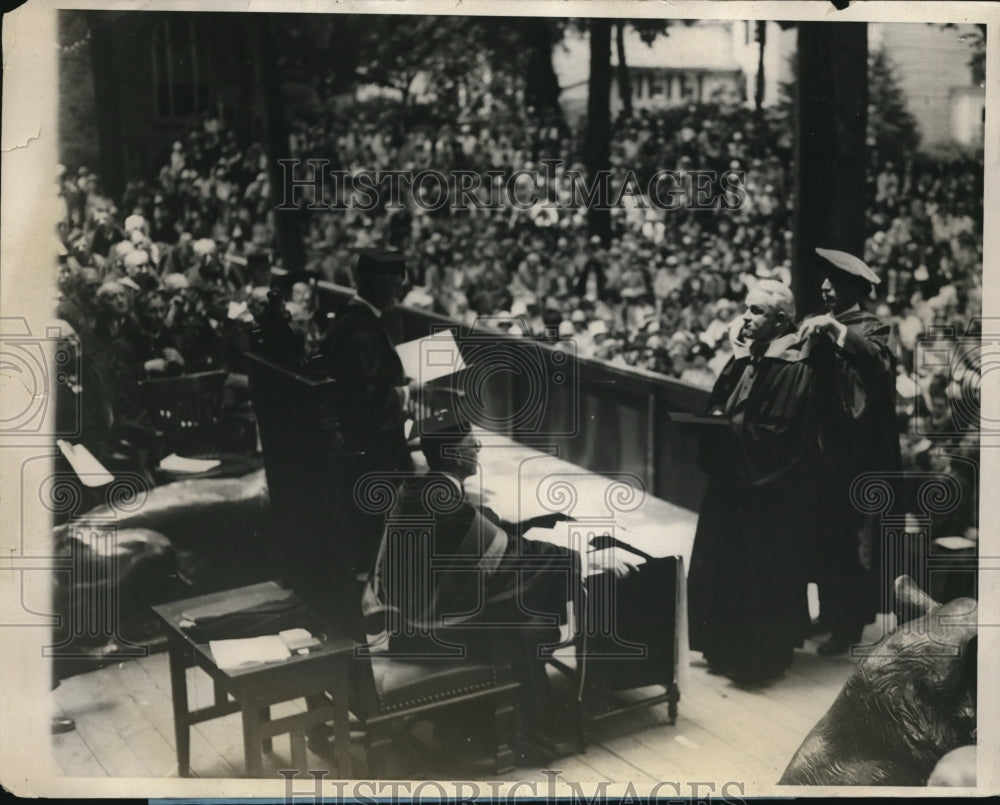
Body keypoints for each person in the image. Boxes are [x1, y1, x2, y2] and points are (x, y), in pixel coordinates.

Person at [362, 411, 626, 759]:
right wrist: (581, 559)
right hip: (424, 629)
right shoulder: (446, 502)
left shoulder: (420, 488)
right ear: (455, 455)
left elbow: (475, 531)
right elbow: (509, 555)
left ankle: (502, 720)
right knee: (524, 619)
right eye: (472, 444)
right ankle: (527, 733)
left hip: (404, 616)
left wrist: (526, 526)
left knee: (519, 607)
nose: (478, 449)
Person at [687, 279, 818, 684]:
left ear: (780, 320)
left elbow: (781, 433)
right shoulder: (746, 357)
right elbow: (720, 404)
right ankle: (721, 649)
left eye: (756, 311)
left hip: (765, 490)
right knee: (720, 563)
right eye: (746, 308)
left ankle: (756, 662)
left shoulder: (796, 366)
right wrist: (714, 421)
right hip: (733, 480)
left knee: (757, 575)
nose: (744, 317)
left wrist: (731, 438)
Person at [798, 248, 902, 655]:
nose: (825, 287)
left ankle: (849, 625)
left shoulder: (874, 328)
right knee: (824, 535)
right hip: (822, 450)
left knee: (853, 542)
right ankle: (828, 613)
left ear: (852, 288)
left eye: (834, 282)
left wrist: (836, 330)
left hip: (859, 457)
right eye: (824, 281)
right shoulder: (817, 324)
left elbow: (877, 363)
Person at [314, 248, 419, 571]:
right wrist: (406, 393)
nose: (400, 292)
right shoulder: (363, 332)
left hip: (357, 443)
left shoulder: (351, 322)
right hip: (369, 451)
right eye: (397, 285)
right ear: (380, 287)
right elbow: (361, 400)